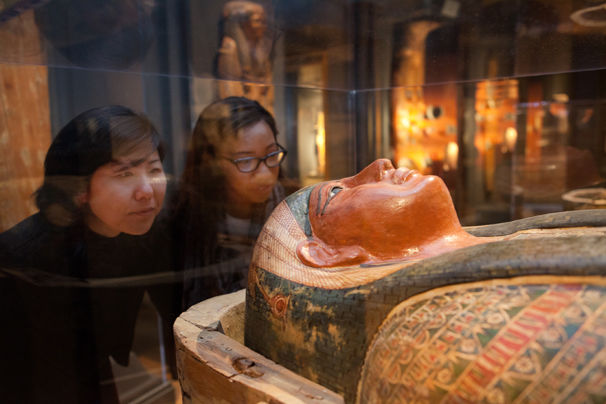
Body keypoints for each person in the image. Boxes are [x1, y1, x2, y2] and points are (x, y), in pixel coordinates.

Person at [245, 158, 606, 400]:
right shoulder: (423, 332)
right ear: (328, 255)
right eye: (337, 193)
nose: (379, 165)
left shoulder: (519, 240)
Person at [0, 105, 177, 404]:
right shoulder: (24, 257)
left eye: (154, 169)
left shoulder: (148, 234)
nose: (147, 190)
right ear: (77, 188)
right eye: (125, 173)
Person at [173, 96, 292, 309]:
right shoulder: (183, 221)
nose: (264, 174)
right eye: (245, 160)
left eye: (271, 154)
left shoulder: (292, 210)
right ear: (212, 162)